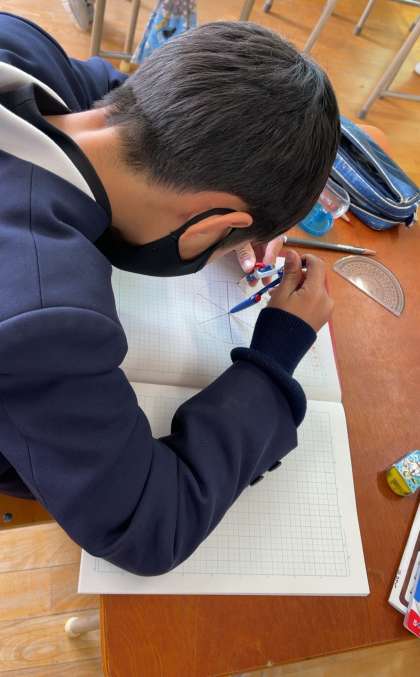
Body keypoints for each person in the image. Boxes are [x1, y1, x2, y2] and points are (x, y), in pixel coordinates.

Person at [0, 13, 338, 575]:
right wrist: (275, 360)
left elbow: (121, 96)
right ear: (212, 224)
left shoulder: (22, 45)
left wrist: (230, 208)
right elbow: (149, 526)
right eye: (233, 237)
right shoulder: (45, 321)